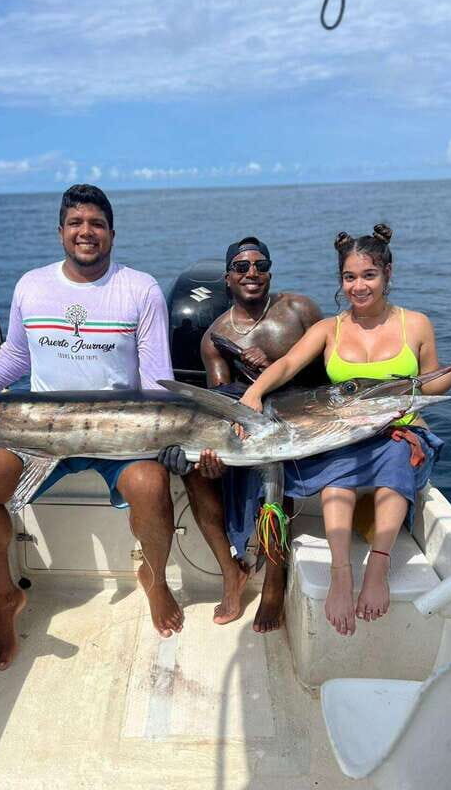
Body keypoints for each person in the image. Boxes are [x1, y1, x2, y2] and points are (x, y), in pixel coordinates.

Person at [0, 185, 185, 669]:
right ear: (60, 232)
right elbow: (13, 356)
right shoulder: (32, 285)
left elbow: (155, 377)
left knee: (151, 484)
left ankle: (156, 579)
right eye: (76, 223)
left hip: (118, 434)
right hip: (38, 432)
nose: (87, 232)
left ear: (112, 234)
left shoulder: (140, 288)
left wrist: (172, 436)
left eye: (97, 224)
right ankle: (2, 595)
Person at [238, 224, 451, 637]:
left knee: (396, 461)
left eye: (369, 275)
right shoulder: (329, 329)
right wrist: (254, 393)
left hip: (399, 431)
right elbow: (286, 364)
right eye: (350, 277)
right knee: (336, 483)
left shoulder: (417, 324)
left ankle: (377, 566)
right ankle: (342, 574)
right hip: (343, 433)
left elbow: (429, 385)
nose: (359, 286)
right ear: (341, 280)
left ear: (388, 274)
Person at [163, 235, 323, 633]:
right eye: (242, 267)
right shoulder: (214, 338)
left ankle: (273, 580)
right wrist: (214, 453)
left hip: (296, 423)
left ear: (269, 271)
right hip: (244, 428)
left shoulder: (299, 310)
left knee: (274, 465)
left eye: (260, 265)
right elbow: (221, 400)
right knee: (194, 470)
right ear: (227, 277)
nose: (252, 273)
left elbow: (325, 379)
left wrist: (275, 366)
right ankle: (229, 571)